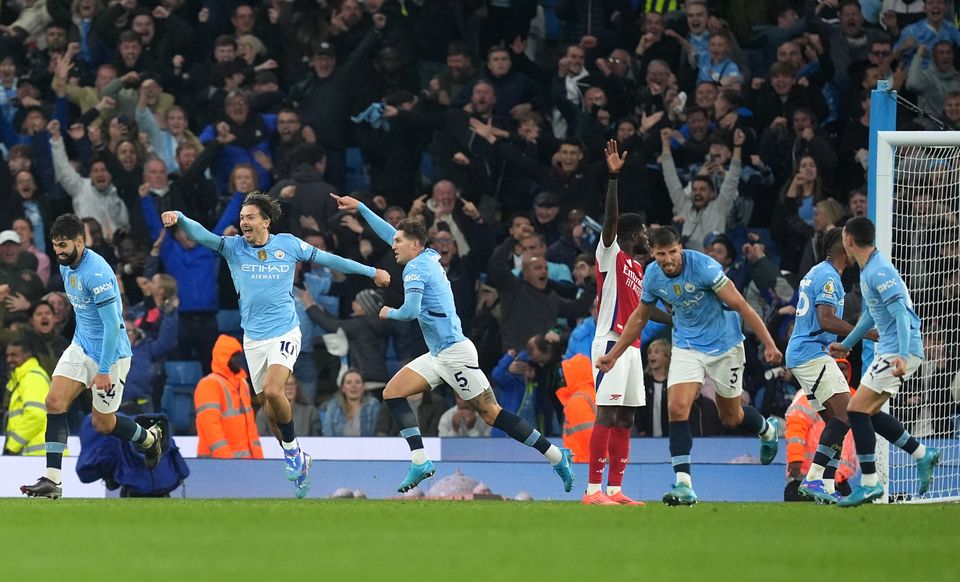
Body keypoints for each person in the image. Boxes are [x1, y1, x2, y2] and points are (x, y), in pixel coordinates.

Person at [331, 193, 575, 493]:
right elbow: (390, 233)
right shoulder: (428, 255)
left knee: (491, 413)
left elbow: (409, 312)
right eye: (393, 241)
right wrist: (362, 208)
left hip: (454, 354)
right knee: (393, 393)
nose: (392, 245)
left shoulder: (415, 269)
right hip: (438, 354)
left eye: (398, 242)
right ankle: (420, 461)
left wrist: (386, 311)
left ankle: (556, 455)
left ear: (414, 245)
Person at [162, 191, 390, 498]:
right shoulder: (233, 248)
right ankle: (293, 454)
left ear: (266, 221)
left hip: (285, 332)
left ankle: (294, 453)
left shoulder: (289, 244)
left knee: (273, 390)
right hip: (254, 339)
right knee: (268, 406)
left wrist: (370, 272)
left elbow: (330, 259)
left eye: (250, 217)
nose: (244, 222)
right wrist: (180, 219)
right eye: (242, 217)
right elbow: (201, 234)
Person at [596, 226, 783, 506]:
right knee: (677, 407)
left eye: (672, 251)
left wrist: (769, 344)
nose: (668, 258)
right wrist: (614, 354)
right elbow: (639, 317)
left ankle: (767, 430)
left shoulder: (705, 267)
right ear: (653, 254)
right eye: (661, 254)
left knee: (730, 417)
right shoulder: (653, 276)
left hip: (725, 345)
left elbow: (742, 306)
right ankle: (684, 485)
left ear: (680, 247)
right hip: (686, 346)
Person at [20, 215, 164, 499]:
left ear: (80, 242)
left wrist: (104, 369)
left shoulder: (96, 272)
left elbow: (112, 324)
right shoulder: (66, 265)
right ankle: (53, 480)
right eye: (55, 246)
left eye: (63, 245)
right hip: (81, 346)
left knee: (104, 423)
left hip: (111, 354)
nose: (58, 251)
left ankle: (150, 438)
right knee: (54, 402)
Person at [829, 217, 940, 507]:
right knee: (870, 413)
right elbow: (870, 316)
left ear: (848, 240)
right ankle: (921, 454)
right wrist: (847, 344)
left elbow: (902, 314)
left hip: (898, 352)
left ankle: (869, 483)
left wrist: (902, 355)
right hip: (891, 351)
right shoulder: (869, 271)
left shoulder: (879, 271)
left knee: (855, 409)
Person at [584, 141, 669, 506]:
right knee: (606, 412)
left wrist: (681, 316)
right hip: (610, 343)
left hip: (631, 348)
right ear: (632, 235)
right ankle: (592, 491)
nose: (649, 238)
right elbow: (610, 222)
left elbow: (646, 311)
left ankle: (615, 490)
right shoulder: (611, 253)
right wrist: (614, 178)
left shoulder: (641, 270)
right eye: (645, 233)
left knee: (626, 417)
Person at [785, 228, 877, 504]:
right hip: (810, 353)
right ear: (845, 248)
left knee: (834, 420)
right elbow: (825, 320)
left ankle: (825, 482)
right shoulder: (827, 277)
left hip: (808, 352)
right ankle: (814, 479)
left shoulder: (820, 272)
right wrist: (866, 333)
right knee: (847, 414)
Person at [195, 334, 263, 459]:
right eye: (234, 357)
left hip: (245, 461)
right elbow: (210, 426)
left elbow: (251, 426)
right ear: (223, 358)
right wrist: (225, 459)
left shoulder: (243, 384)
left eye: (239, 356)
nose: (238, 360)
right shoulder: (209, 384)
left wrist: (258, 458)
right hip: (214, 462)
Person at [3, 340, 51, 456]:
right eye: (7, 355)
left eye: (14, 355)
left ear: (27, 356)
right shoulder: (22, 379)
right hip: (35, 456)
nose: (9, 359)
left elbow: (36, 415)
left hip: (39, 456)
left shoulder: (33, 378)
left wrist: (12, 446)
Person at [318, 369, 381, 437]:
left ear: (363, 387)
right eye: (348, 382)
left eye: (357, 382)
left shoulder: (373, 405)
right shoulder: (333, 406)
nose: (353, 386)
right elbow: (327, 433)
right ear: (343, 388)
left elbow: (377, 433)